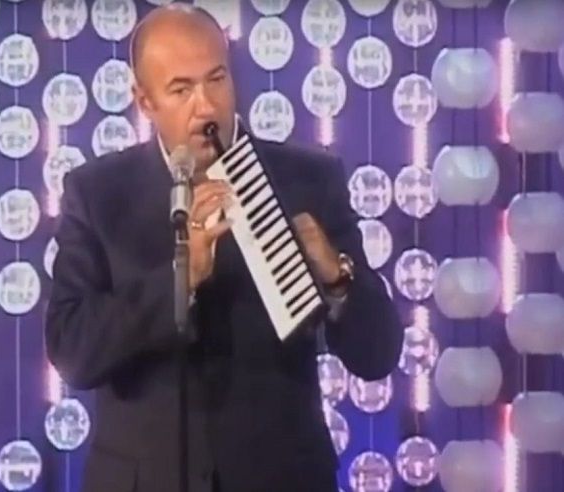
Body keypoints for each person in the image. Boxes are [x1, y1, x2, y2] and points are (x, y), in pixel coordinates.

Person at [45, 4, 402, 492]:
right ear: (144, 101)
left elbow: (378, 354)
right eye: (181, 90)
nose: (206, 106)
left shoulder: (308, 181)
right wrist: (181, 278)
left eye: (216, 79)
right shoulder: (97, 193)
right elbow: (72, 351)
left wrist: (338, 279)